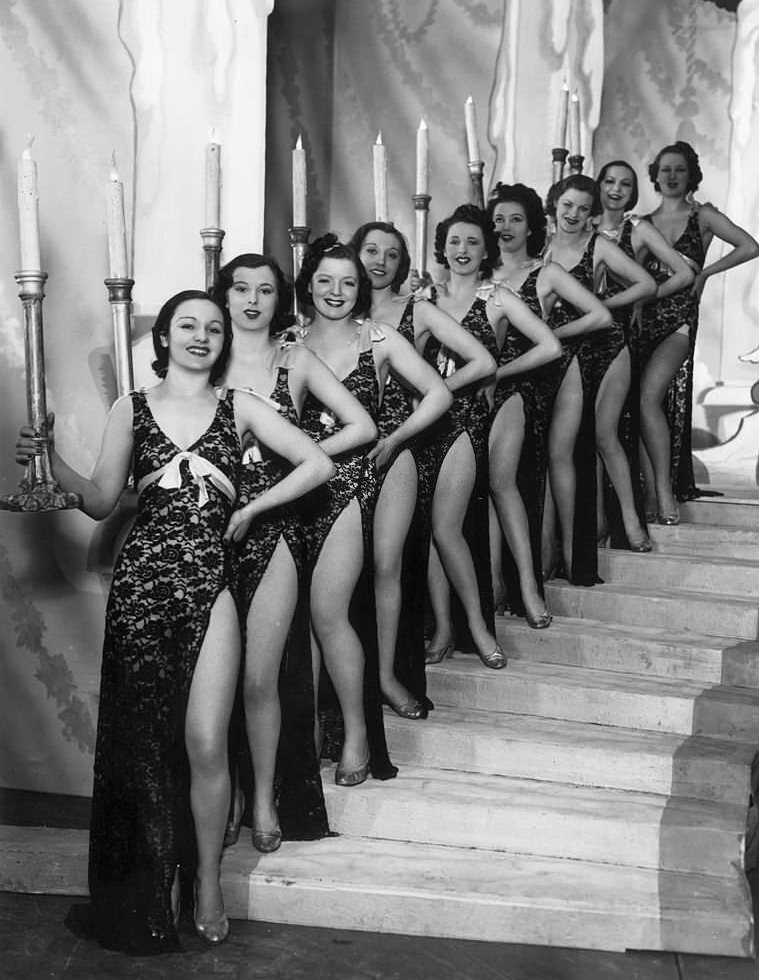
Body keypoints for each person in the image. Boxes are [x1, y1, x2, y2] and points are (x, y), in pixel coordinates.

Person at [16, 290, 334, 954]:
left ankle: (208, 882)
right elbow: (104, 501)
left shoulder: (240, 406)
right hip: (140, 588)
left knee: (207, 745)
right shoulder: (129, 408)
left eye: (213, 328)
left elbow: (319, 461)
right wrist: (51, 460)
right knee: (143, 748)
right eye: (187, 325)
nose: (202, 335)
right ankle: (147, 887)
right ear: (162, 338)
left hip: (208, 585)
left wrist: (248, 510)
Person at [213, 254, 376, 851]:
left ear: (281, 298)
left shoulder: (294, 359)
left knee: (259, 677)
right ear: (223, 296)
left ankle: (261, 798)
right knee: (215, 678)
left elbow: (363, 427)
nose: (252, 301)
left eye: (265, 290)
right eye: (240, 289)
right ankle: (224, 792)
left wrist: (295, 454)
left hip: (277, 524)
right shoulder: (205, 355)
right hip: (209, 528)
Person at [295, 235, 450, 784]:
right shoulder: (289, 342)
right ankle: (315, 727)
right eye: (325, 281)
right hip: (309, 485)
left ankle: (370, 705)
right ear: (307, 284)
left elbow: (438, 393)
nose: (336, 292)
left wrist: (394, 437)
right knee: (312, 613)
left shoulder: (377, 335)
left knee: (357, 590)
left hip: (372, 472)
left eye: (348, 282)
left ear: (362, 289)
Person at [351, 221, 491, 716]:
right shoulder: (332, 313)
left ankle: (400, 667)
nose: (380, 261)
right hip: (346, 454)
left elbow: (482, 361)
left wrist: (424, 398)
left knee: (402, 557)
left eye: (391, 253)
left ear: (403, 263)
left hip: (405, 441)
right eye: (370, 250)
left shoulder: (418, 310)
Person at [419, 204, 561, 666]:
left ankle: (520, 593)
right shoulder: (426, 300)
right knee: (440, 528)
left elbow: (550, 345)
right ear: (442, 248)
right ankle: (443, 627)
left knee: (471, 509)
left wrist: (498, 372)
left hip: (473, 419)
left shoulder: (496, 297)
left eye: (473, 242)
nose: (462, 250)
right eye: (454, 241)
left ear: (486, 251)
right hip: (428, 424)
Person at [488, 182, 603, 624]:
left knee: (507, 481)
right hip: (478, 392)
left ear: (533, 225)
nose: (506, 227)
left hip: (525, 388)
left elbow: (598, 315)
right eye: (499, 219)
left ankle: (525, 583)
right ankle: (493, 586)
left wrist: (551, 334)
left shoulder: (546, 272)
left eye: (516, 219)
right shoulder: (476, 276)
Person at [637, 141, 759, 521]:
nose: (672, 176)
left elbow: (749, 246)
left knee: (647, 399)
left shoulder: (703, 215)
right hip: (643, 323)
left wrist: (706, 272)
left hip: (679, 321)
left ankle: (664, 492)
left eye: (680, 169)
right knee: (642, 407)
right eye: (665, 169)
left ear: (691, 175)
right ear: (655, 175)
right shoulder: (643, 223)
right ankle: (650, 496)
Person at [542, 174, 650, 582]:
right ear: (554, 205)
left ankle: (630, 520)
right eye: (567, 205)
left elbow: (646, 283)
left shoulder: (598, 246)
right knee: (564, 448)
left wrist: (604, 301)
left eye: (583, 209)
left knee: (605, 434)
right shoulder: (542, 251)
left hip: (605, 348)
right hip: (560, 355)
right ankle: (582, 534)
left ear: (592, 214)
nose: (573, 214)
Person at [594, 160, 696, 547]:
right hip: (596, 339)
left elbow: (683, 275)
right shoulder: (581, 227)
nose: (616, 189)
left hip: (634, 332)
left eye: (625, 183)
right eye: (610, 181)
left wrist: (638, 300)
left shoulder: (636, 228)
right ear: (599, 185)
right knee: (617, 422)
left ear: (633, 192)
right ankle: (633, 505)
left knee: (640, 406)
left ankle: (662, 494)